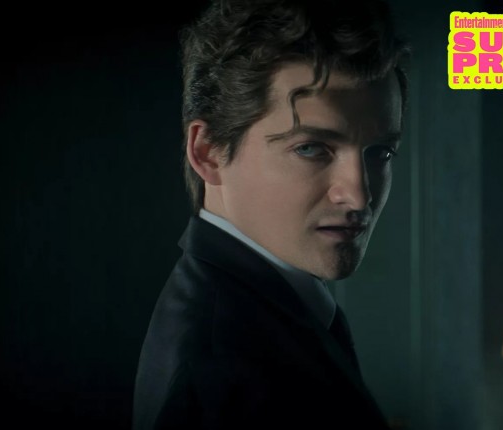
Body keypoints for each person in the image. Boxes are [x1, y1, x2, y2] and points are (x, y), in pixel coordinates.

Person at [133, 0, 410, 428]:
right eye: (311, 148)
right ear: (207, 153)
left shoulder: (259, 316)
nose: (358, 197)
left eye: (380, 153)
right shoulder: (221, 371)